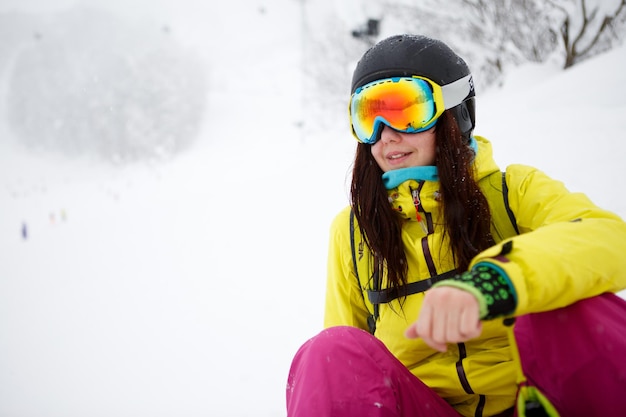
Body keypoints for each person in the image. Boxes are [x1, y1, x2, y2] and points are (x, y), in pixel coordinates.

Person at [285, 34, 626, 417]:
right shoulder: (354, 234)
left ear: (455, 113)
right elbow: (347, 376)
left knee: (576, 302)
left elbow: (611, 239)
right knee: (330, 351)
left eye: (405, 111)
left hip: (533, 398)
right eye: (369, 117)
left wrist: (495, 281)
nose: (385, 135)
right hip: (427, 407)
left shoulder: (512, 192)